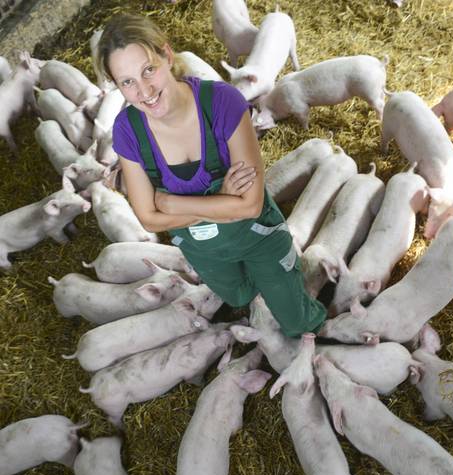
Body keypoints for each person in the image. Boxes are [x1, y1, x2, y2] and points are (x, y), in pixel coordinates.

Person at [96, 13, 326, 337]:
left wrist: (172, 206)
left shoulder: (221, 102)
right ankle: (250, 290)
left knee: (293, 315)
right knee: (236, 295)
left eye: (149, 69)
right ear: (117, 86)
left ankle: (311, 324)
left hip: (258, 235)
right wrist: (224, 201)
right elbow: (148, 219)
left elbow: (249, 206)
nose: (144, 90)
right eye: (127, 81)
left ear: (167, 55)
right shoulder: (127, 131)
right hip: (206, 252)